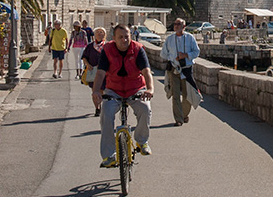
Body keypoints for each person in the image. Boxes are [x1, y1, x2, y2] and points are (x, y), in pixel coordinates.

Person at [91, 24, 154, 168]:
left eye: (127, 36)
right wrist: (95, 91)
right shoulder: (107, 50)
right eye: (120, 37)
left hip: (135, 88)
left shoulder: (138, 49)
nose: (124, 40)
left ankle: (141, 140)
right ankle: (109, 155)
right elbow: (100, 73)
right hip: (113, 89)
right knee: (106, 115)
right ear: (114, 38)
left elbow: (146, 71)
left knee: (145, 108)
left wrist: (150, 89)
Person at [161, 17, 200, 126]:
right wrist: (173, 57)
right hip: (174, 69)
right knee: (175, 95)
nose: (176, 26)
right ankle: (178, 119)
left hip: (186, 69)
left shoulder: (190, 38)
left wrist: (186, 55)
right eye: (175, 24)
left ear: (184, 26)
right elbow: (163, 53)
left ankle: (183, 114)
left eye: (178, 24)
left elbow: (196, 52)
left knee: (188, 96)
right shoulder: (169, 39)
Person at [80, 26, 107, 115]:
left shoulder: (107, 46)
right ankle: (97, 108)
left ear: (104, 35)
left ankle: (101, 105)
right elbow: (84, 57)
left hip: (104, 73)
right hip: (93, 73)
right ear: (94, 35)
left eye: (101, 32)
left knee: (102, 91)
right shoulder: (90, 46)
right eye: (98, 32)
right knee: (94, 91)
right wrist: (88, 65)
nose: (99, 34)